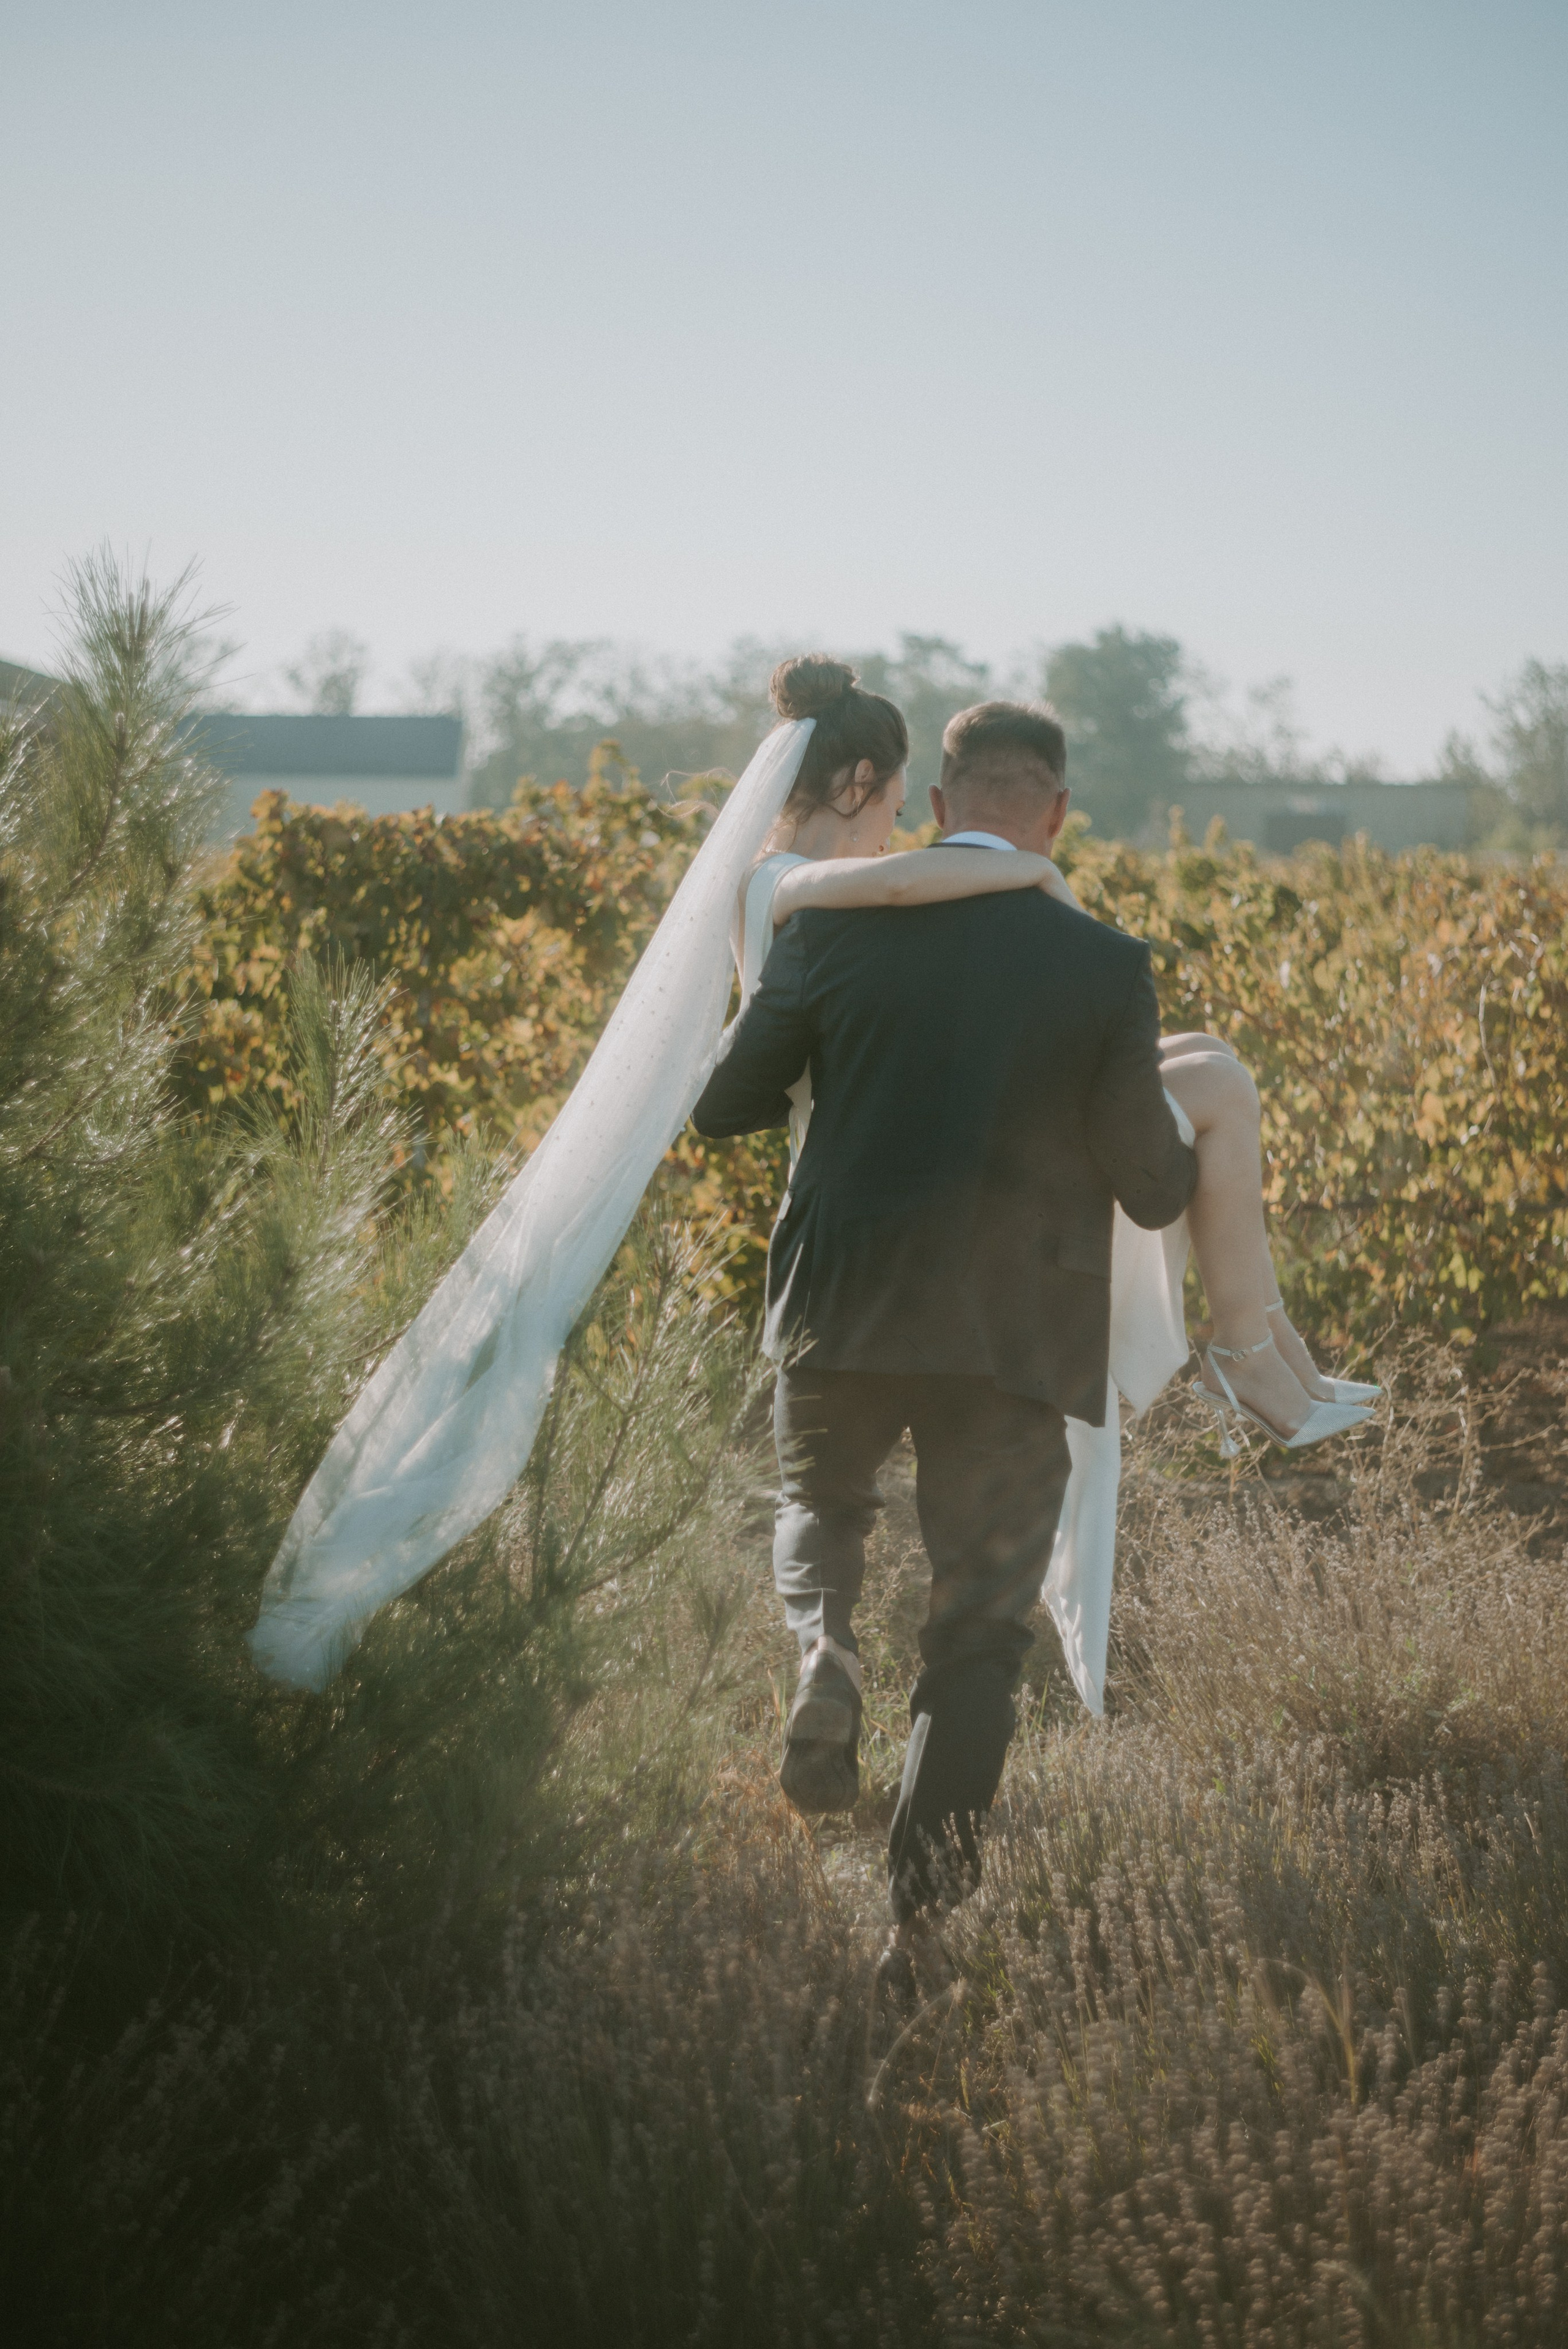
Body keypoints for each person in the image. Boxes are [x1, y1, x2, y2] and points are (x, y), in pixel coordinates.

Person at [692, 658, 1371, 1989]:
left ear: (937, 799)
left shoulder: (827, 924)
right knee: (976, 1632)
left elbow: (724, 1109)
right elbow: (1148, 1183)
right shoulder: (1101, 962)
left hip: (838, 1301)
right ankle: (919, 1929)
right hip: (1007, 1341)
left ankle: (821, 1650)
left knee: (819, 1505)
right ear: (1056, 814)